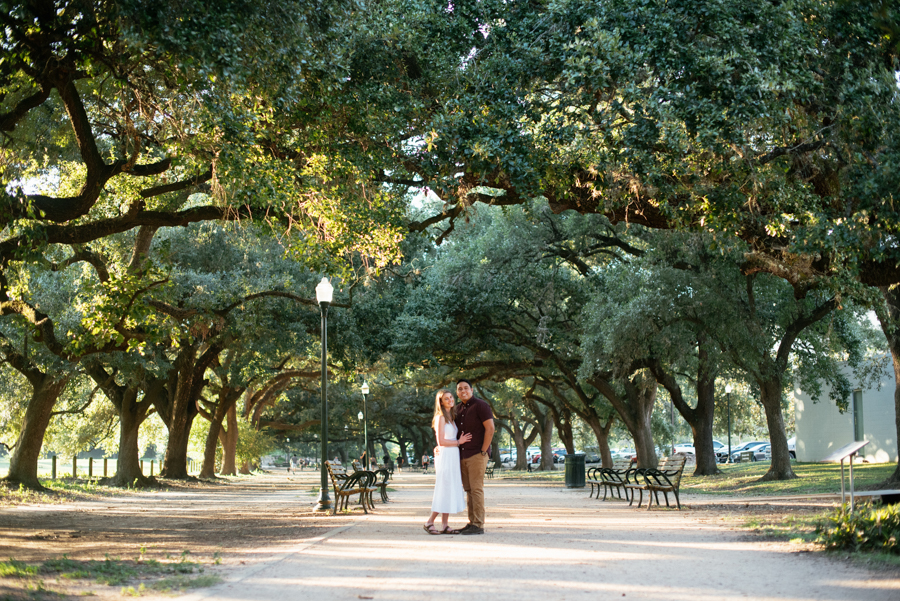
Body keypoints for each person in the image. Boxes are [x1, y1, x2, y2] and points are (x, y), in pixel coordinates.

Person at [424, 389, 470, 535]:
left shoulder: (451, 416)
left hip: (453, 456)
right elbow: (441, 441)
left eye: (451, 397)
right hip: (446, 456)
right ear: (441, 402)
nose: (450, 400)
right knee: (444, 489)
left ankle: (444, 525)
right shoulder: (440, 417)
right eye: (446, 399)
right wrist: (459, 441)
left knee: (449, 488)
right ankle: (429, 522)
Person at [454, 379, 494, 535]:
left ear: (471, 390)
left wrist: (484, 451)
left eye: (466, 388)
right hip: (463, 455)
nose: (463, 391)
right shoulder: (457, 409)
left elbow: (490, 429)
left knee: (476, 489)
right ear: (457, 392)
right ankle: (472, 522)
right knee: (469, 489)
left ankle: (478, 524)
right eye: (459, 389)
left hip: (477, 453)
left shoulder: (481, 406)